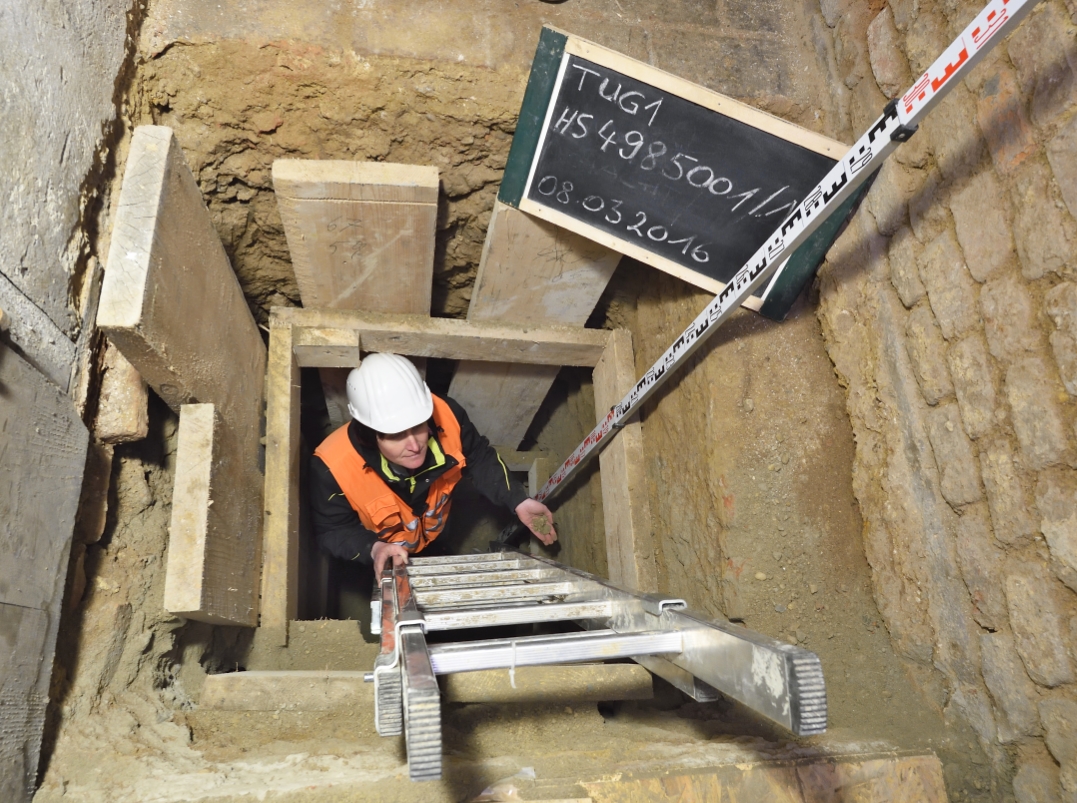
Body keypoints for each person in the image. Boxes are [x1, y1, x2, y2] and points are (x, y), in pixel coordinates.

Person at [309, 352, 557, 579]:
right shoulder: (332, 467)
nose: (415, 446)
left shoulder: (447, 415)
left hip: (434, 528)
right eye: (395, 435)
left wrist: (517, 500)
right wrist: (374, 549)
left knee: (437, 545)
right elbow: (332, 530)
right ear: (368, 433)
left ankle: (435, 548)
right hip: (386, 550)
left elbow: (478, 456)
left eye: (418, 426)